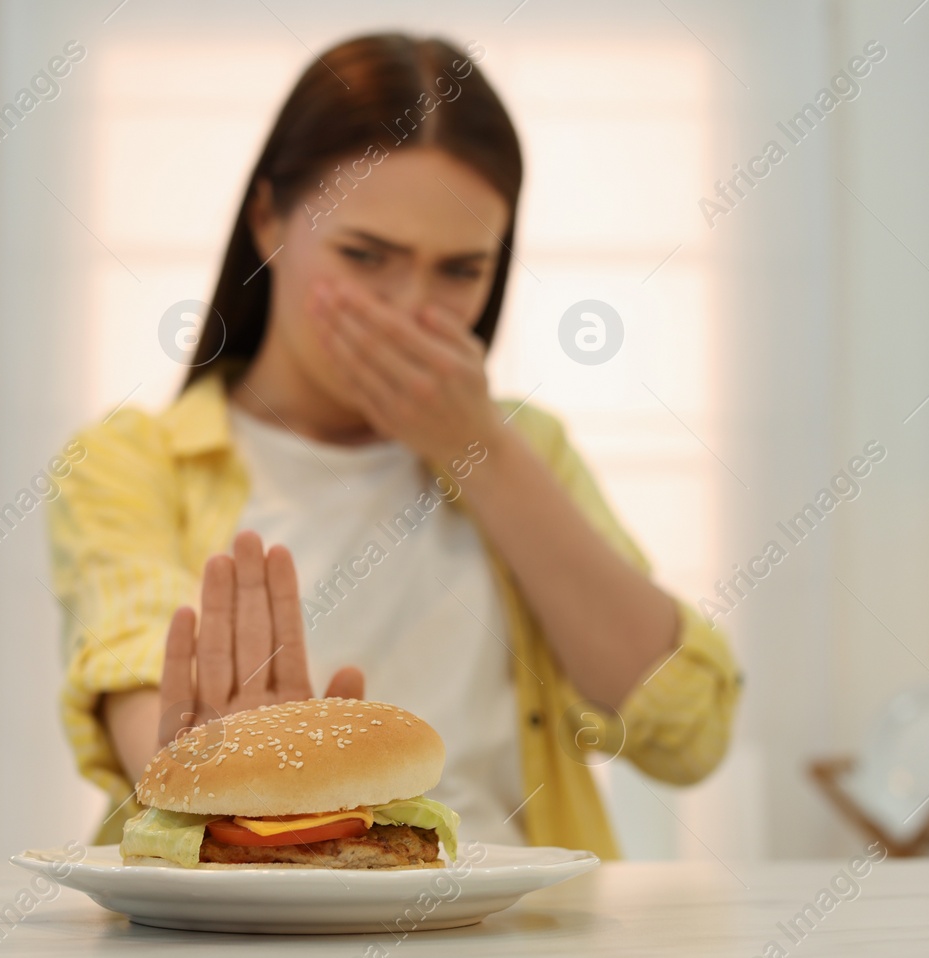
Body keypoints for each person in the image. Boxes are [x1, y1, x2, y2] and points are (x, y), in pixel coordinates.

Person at [48, 32, 741, 858]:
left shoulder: (529, 446)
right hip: (244, 943)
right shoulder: (132, 461)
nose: (413, 309)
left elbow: (688, 732)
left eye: (460, 270)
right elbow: (140, 693)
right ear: (268, 218)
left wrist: (477, 446)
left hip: (515, 947)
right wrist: (219, 761)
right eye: (366, 255)